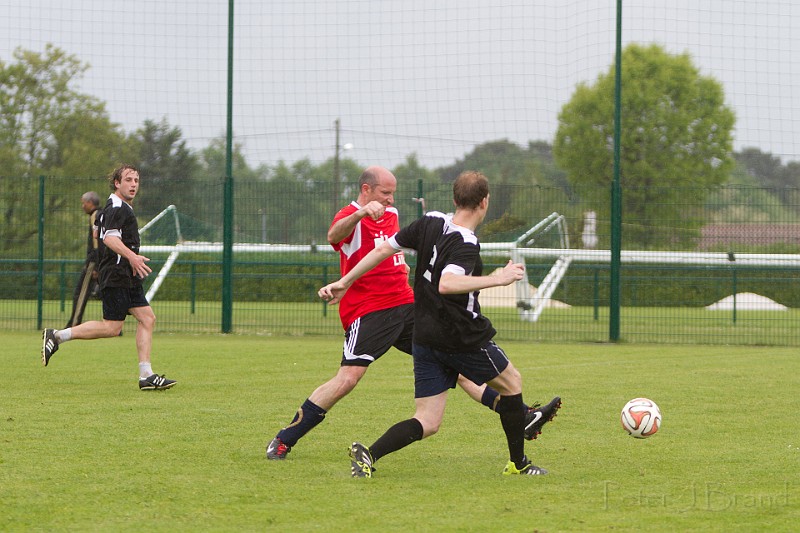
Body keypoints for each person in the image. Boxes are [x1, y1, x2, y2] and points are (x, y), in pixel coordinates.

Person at [267, 166, 558, 460]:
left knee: (454, 365)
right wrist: (356, 232)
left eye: (393, 193)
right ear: (366, 190)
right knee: (348, 378)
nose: (391, 199)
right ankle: (284, 439)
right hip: (369, 309)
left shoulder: (390, 215)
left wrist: (401, 265)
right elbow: (334, 235)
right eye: (385, 193)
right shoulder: (350, 215)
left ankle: (522, 416)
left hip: (406, 304)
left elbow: (391, 248)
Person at [41, 164, 177, 391]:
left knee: (147, 318)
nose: (134, 184)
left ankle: (146, 376)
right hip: (116, 274)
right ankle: (57, 336)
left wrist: (131, 260)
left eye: (136, 180)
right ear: (117, 183)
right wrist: (133, 257)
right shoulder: (116, 206)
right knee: (112, 327)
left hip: (126, 273)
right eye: (128, 180)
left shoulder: (119, 207)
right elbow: (110, 240)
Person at [65, 191, 102, 329]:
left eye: (83, 203)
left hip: (94, 262)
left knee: (81, 292)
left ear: (90, 203)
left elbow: (96, 242)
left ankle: (74, 324)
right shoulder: (102, 214)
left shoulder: (95, 216)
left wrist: (96, 266)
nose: (82, 206)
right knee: (107, 293)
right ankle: (116, 326)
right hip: (103, 260)